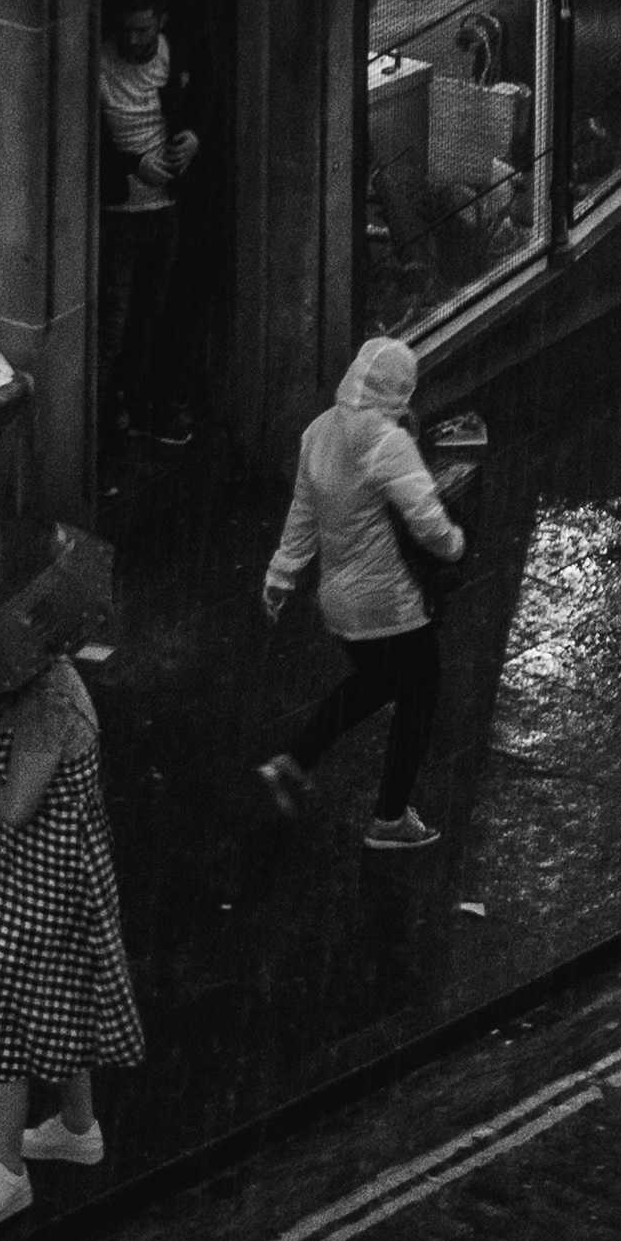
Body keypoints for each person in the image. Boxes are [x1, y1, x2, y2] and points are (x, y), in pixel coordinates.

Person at [0, 644, 141, 1227]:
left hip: (47, 880)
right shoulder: (19, 691)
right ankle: (78, 1129)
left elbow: (17, 802)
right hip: (36, 873)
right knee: (57, 1001)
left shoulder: (45, 707)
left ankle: (8, 1173)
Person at [256, 335, 463, 854]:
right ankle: (390, 817)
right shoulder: (386, 441)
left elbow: (302, 515)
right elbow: (425, 518)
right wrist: (456, 545)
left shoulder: (320, 431)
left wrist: (281, 576)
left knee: (375, 683)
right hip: (390, 603)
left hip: (340, 602)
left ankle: (295, 761)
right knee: (420, 694)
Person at [94, 0, 199, 448]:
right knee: (112, 326)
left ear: (161, 19)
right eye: (126, 30)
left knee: (153, 316)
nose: (133, 40)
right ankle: (100, 423)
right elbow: (84, 143)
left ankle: (138, 409)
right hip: (119, 215)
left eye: (143, 29)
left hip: (165, 207)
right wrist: (132, 164)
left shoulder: (175, 56)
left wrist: (194, 139)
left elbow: (200, 104)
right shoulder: (97, 66)